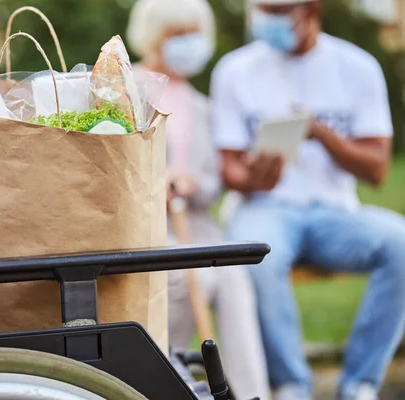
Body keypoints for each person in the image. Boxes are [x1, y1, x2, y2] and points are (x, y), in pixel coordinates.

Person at [210, 1, 405, 399]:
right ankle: (292, 385)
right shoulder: (233, 69)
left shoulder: (357, 66)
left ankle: (360, 383)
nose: (266, 18)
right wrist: (256, 178)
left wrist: (320, 134)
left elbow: (377, 168)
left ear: (310, 9)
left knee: (400, 244)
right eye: (261, 9)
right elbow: (229, 170)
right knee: (255, 257)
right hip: (264, 209)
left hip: (335, 210)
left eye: (277, 9)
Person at [127, 1, 271, 399]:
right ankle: (169, 383)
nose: (190, 44)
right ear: (155, 37)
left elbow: (212, 184)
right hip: (150, 229)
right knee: (196, 278)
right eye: (178, 35)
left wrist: (193, 184)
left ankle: (251, 393)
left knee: (234, 279)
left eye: (195, 34)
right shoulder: (128, 88)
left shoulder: (204, 107)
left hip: (199, 227)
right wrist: (161, 179)